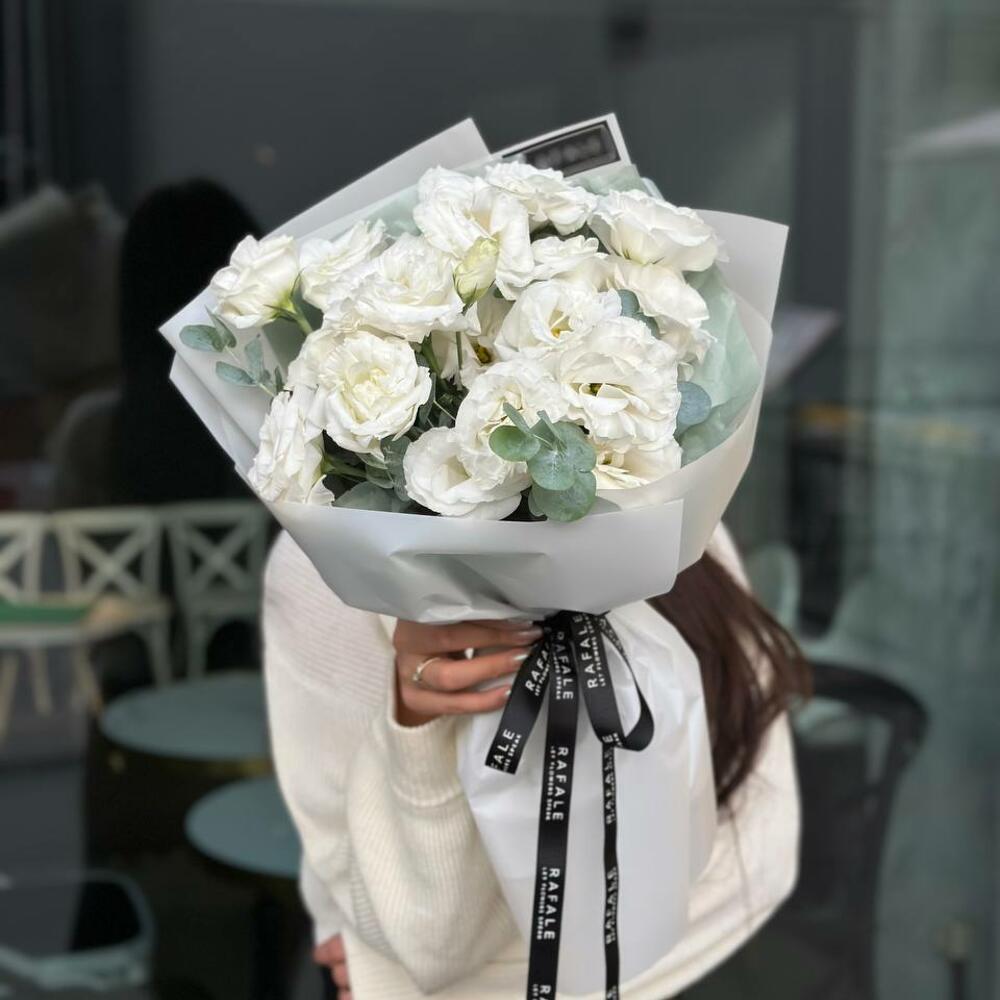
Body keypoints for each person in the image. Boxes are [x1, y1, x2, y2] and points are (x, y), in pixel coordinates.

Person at [263, 524, 809, 999]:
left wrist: (398, 982)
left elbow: (762, 845)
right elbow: (424, 936)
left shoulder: (664, 485)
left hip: (720, 970)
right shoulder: (332, 560)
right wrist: (420, 724)